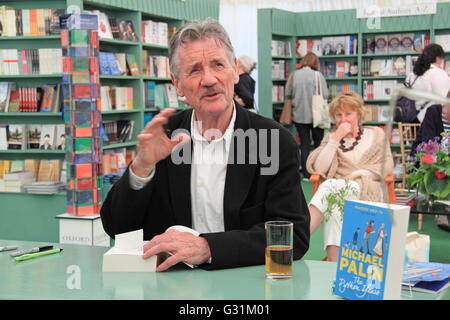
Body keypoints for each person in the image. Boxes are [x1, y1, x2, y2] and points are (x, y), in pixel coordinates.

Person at [100, 19, 310, 271]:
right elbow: (116, 227)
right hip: (171, 287)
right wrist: (142, 167)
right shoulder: (163, 138)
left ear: (234, 70)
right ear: (176, 84)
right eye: (195, 70)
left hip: (245, 286)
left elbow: (294, 236)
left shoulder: (273, 141)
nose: (209, 79)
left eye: (218, 64)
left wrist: (208, 247)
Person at [306, 92, 394, 262]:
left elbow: (387, 165)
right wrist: (335, 138)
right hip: (342, 194)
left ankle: (300, 233)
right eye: (338, 115)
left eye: (348, 114)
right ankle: (335, 263)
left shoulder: (375, 134)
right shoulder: (331, 138)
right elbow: (319, 168)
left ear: (359, 114)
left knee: (331, 187)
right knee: (334, 206)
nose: (343, 119)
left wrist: (360, 174)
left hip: (368, 190)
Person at [284, 52, 329, 179]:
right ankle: (318, 170)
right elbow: (325, 94)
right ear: (315, 62)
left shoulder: (294, 75)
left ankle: (305, 172)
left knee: (304, 143)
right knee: (318, 144)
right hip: (317, 115)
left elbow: (288, 93)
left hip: (299, 114)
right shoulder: (317, 75)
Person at [410, 91, 450, 231]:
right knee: (442, 168)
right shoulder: (433, 112)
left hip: (445, 160)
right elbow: (428, 143)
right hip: (427, 157)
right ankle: (444, 212)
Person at [405, 43, 450, 122]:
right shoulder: (438, 73)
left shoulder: (411, 75)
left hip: (411, 121)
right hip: (431, 123)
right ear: (438, 58)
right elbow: (444, 99)